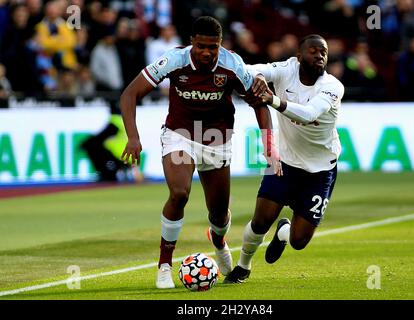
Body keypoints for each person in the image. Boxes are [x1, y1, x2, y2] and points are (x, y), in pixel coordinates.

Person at [120, 16, 277, 289]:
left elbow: (260, 104)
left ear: (220, 45)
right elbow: (129, 94)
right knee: (179, 193)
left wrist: (269, 144)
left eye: (213, 47)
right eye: (202, 46)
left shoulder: (233, 65)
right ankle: (165, 265)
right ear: (192, 42)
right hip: (179, 135)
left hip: (217, 141)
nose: (207, 52)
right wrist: (133, 137)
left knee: (218, 215)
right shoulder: (173, 60)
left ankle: (218, 241)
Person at [224, 34, 345, 283]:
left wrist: (272, 99)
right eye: (313, 50)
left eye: (324, 51)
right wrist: (254, 79)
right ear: (299, 56)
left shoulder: (333, 86)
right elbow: (250, 69)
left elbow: (309, 113)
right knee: (260, 221)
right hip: (285, 163)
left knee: (299, 241)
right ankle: (243, 266)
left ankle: (284, 232)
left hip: (321, 170)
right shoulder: (285, 70)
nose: (320, 55)